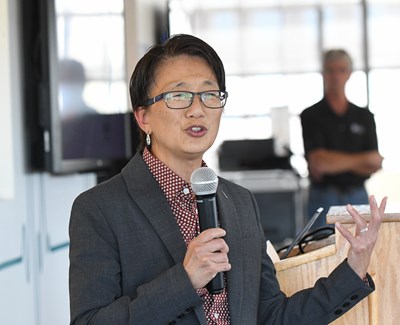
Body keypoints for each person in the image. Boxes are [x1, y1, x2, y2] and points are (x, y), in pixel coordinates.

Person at [69, 35, 387, 324]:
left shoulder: (240, 202)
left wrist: (353, 268)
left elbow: (272, 316)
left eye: (209, 94)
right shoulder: (99, 209)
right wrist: (185, 280)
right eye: (179, 95)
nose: (197, 109)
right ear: (144, 117)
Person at [300, 49, 383, 229]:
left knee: (365, 248)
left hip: (358, 196)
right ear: (323, 73)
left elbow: (375, 162)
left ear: (349, 74)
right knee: (322, 249)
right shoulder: (311, 115)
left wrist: (333, 161)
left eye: (341, 70)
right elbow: (319, 163)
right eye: (330, 70)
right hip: (324, 196)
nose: (335, 76)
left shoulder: (364, 116)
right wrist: (361, 160)